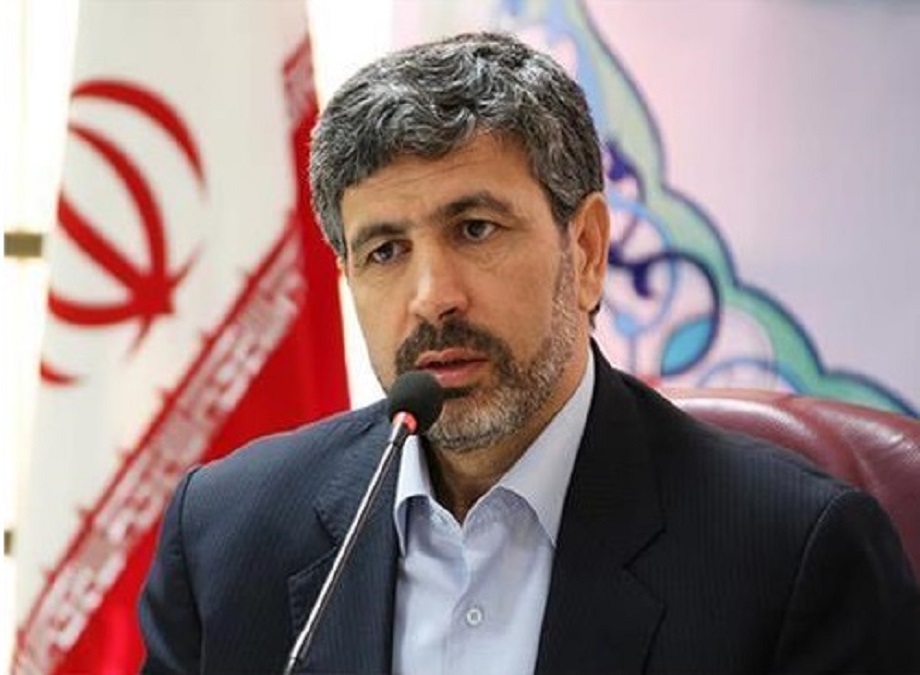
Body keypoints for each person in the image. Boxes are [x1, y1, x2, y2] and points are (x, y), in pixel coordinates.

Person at [139, 32, 920, 674]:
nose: (432, 296)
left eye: (475, 228)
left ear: (586, 250)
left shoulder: (795, 556)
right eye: (385, 250)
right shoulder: (225, 537)